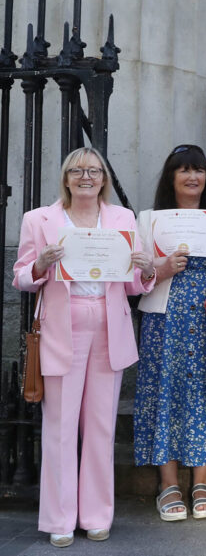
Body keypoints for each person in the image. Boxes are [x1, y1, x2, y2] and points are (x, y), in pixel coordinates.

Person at [13, 148, 156, 548]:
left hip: (109, 324)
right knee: (59, 426)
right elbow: (22, 276)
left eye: (93, 170)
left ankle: (96, 514)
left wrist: (146, 270)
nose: (86, 177)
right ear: (66, 178)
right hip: (63, 324)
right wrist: (40, 264)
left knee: (100, 426)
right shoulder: (39, 219)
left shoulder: (123, 218)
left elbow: (131, 284)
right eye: (77, 171)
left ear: (104, 178)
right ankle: (59, 518)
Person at [134, 144, 206, 523]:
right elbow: (132, 281)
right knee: (163, 392)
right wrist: (159, 270)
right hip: (162, 318)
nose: (193, 177)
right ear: (171, 177)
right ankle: (167, 483)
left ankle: (201, 481)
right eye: (184, 170)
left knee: (204, 392)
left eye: (199, 170)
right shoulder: (147, 219)